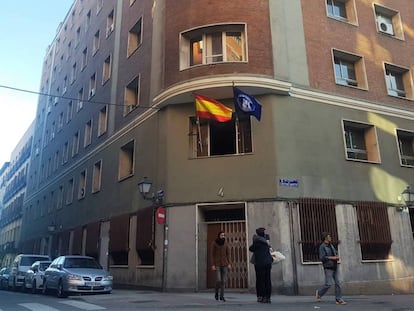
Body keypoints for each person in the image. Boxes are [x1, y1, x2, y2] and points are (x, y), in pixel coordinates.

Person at [316, 232, 346, 305]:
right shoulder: (322, 247)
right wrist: (333, 258)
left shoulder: (331, 245)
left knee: (337, 283)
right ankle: (319, 293)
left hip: (334, 266)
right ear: (325, 238)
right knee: (328, 284)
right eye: (329, 236)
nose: (330, 238)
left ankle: (338, 299)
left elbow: (334, 252)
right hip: (328, 267)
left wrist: (337, 256)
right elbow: (322, 257)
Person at [249, 227, 273, 303]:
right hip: (268, 263)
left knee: (260, 280)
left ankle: (261, 296)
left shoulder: (257, 241)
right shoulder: (267, 242)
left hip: (259, 264)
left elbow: (251, 248)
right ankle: (268, 297)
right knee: (267, 280)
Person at [210, 231, 231, 302]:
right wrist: (213, 264)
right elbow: (212, 254)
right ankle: (216, 293)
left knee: (223, 281)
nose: (223, 236)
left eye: (224, 235)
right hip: (217, 264)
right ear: (219, 236)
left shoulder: (226, 243)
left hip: (225, 264)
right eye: (222, 235)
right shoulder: (214, 243)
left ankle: (222, 296)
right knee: (218, 280)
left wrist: (229, 263)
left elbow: (228, 254)